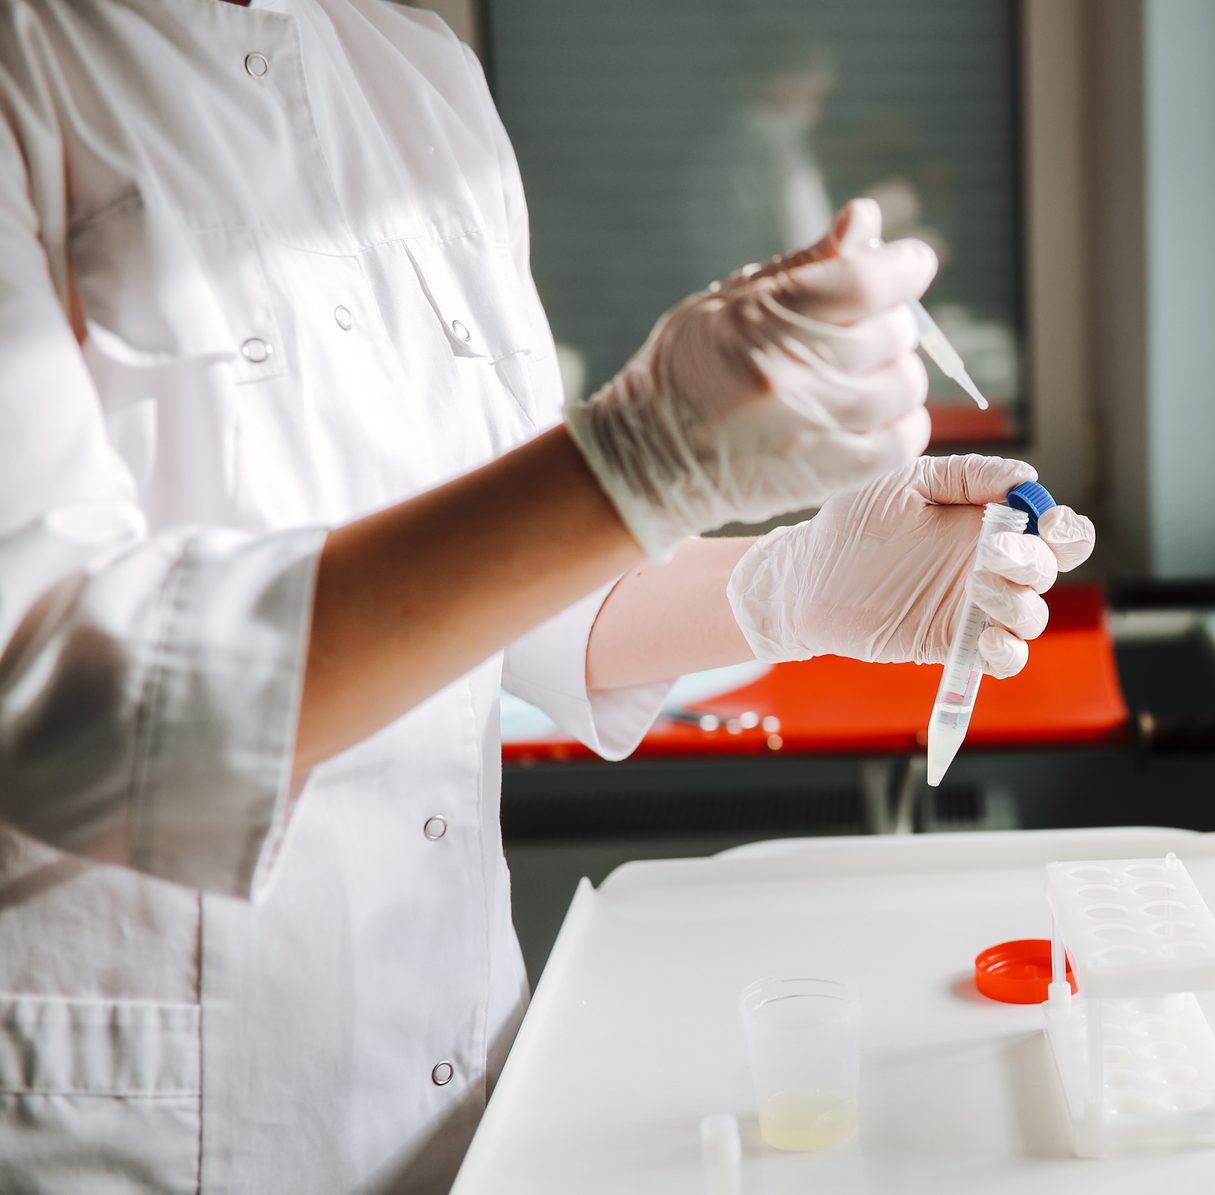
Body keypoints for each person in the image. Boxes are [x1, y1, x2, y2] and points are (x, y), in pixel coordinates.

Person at [0, 2, 1094, 1192]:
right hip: (151, 1131)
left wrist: (792, 581)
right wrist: (633, 464)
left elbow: (517, 589)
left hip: (473, 1095)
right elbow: (58, 705)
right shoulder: (35, 60)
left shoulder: (419, 78)